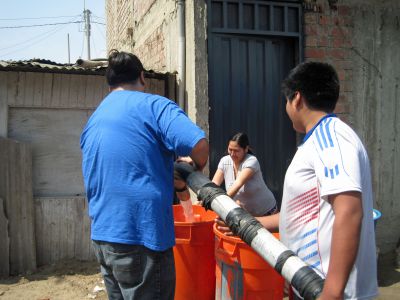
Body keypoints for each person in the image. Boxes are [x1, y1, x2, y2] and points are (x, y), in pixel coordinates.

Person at [80, 50, 208, 300]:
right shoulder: (153, 105)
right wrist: (195, 167)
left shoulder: (95, 119)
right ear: (142, 77)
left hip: (103, 238)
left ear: (110, 84)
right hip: (141, 237)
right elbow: (199, 146)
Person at [252, 61, 378, 299]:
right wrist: (252, 221)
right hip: (308, 285)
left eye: (287, 100)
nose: (286, 107)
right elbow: (302, 213)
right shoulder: (319, 142)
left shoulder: (329, 139)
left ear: (297, 98)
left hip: (328, 289)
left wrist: (331, 293)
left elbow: (349, 211)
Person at [212, 132, 277, 218]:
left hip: (267, 213)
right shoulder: (224, 161)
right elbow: (214, 184)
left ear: (246, 149)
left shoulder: (251, 161)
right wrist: (205, 197)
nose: (232, 154)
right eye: (230, 149)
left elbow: (237, 184)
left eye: (236, 151)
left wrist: (221, 205)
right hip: (248, 216)